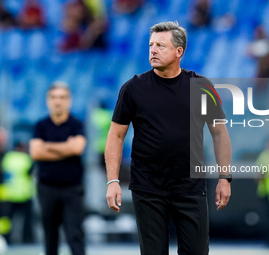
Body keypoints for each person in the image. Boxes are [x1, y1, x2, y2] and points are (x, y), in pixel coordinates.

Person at [105, 21, 232, 255]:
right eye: (151, 45)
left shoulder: (201, 87)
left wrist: (224, 177)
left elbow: (219, 132)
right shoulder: (133, 88)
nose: (153, 50)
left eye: (160, 45)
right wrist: (112, 181)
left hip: (190, 187)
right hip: (148, 188)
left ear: (179, 52)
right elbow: (116, 135)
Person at [29, 82, 86, 255]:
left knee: (74, 233)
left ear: (69, 101)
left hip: (72, 188)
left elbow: (77, 149)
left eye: (62, 97)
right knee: (50, 234)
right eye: (53, 97)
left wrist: (47, 146)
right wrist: (65, 148)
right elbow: (36, 153)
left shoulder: (77, 124)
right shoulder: (40, 126)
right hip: (47, 187)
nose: (57, 101)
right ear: (47, 101)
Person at [1, 142, 35, 244]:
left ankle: (6, 239)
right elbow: (30, 173)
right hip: (24, 194)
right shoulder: (26, 159)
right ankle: (27, 240)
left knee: (7, 220)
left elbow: (4, 171)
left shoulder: (8, 157)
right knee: (27, 221)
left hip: (9, 193)